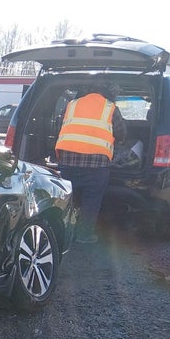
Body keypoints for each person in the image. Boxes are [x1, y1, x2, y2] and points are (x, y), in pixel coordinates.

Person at [55, 84, 126, 243]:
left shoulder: (71, 105)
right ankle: (85, 235)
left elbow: (60, 127)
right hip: (96, 164)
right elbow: (121, 133)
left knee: (69, 197)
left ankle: (63, 233)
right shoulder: (110, 108)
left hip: (67, 161)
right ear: (107, 94)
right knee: (91, 199)